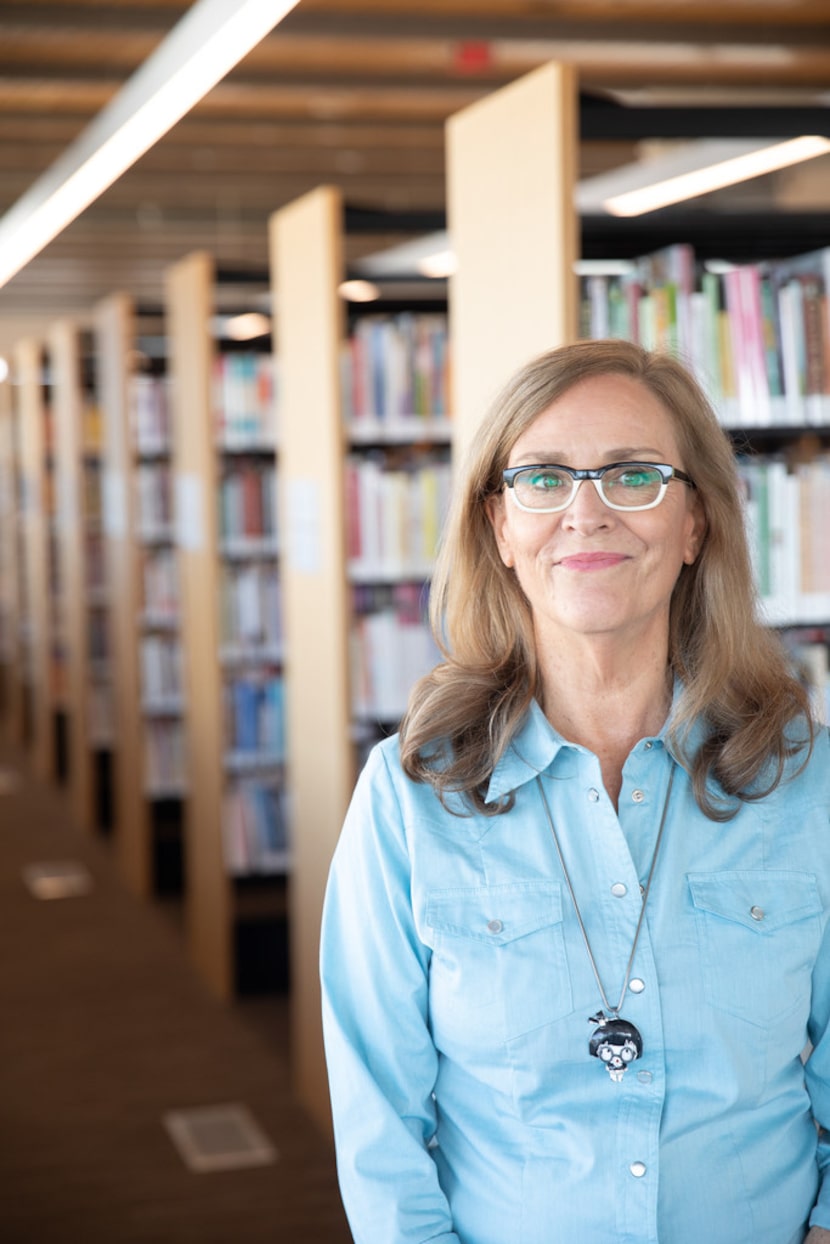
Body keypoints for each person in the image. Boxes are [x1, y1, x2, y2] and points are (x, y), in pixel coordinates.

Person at [320, 338, 830, 1244]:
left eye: (633, 475)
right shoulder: (409, 800)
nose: (585, 513)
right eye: (543, 479)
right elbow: (379, 1126)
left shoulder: (808, 781)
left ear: (695, 525)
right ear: (500, 529)